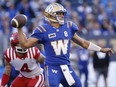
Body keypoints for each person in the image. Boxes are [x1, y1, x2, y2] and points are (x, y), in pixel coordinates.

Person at [15, 3, 113, 87]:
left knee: (78, 85)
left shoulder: (68, 27)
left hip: (66, 67)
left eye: (62, 13)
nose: (62, 15)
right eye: (59, 13)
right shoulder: (43, 30)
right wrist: (19, 28)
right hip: (52, 68)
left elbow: (83, 43)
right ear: (51, 15)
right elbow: (25, 45)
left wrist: (101, 49)